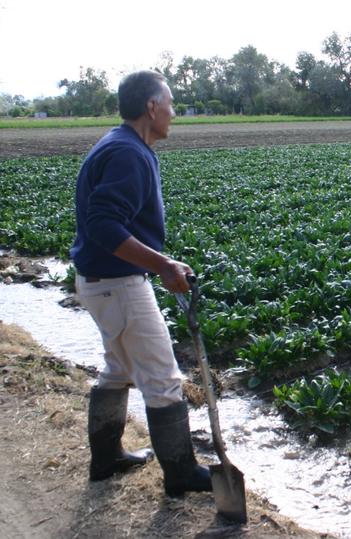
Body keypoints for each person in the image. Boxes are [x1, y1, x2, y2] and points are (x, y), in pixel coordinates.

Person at [70, 70, 211, 496]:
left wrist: (160, 261)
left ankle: (108, 457)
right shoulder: (129, 153)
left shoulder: (122, 144)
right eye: (169, 104)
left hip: (99, 281)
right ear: (152, 107)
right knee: (163, 378)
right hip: (117, 283)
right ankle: (181, 474)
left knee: (119, 368)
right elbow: (103, 225)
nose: (173, 113)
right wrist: (162, 264)